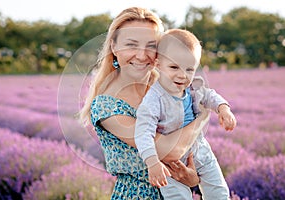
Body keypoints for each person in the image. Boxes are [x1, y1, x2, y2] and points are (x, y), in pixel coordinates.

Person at [79, 7, 209, 199]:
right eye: (131, 45)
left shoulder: (165, 90)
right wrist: (203, 116)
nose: (141, 55)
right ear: (114, 47)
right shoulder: (106, 105)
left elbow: (191, 148)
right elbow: (170, 151)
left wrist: (194, 178)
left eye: (151, 46)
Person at [134, 28, 237, 200]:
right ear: (158, 65)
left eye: (190, 69)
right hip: (171, 163)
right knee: (178, 197)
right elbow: (143, 133)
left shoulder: (192, 88)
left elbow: (210, 95)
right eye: (174, 67)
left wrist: (223, 108)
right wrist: (152, 163)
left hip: (201, 151)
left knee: (219, 194)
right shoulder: (154, 99)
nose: (182, 75)